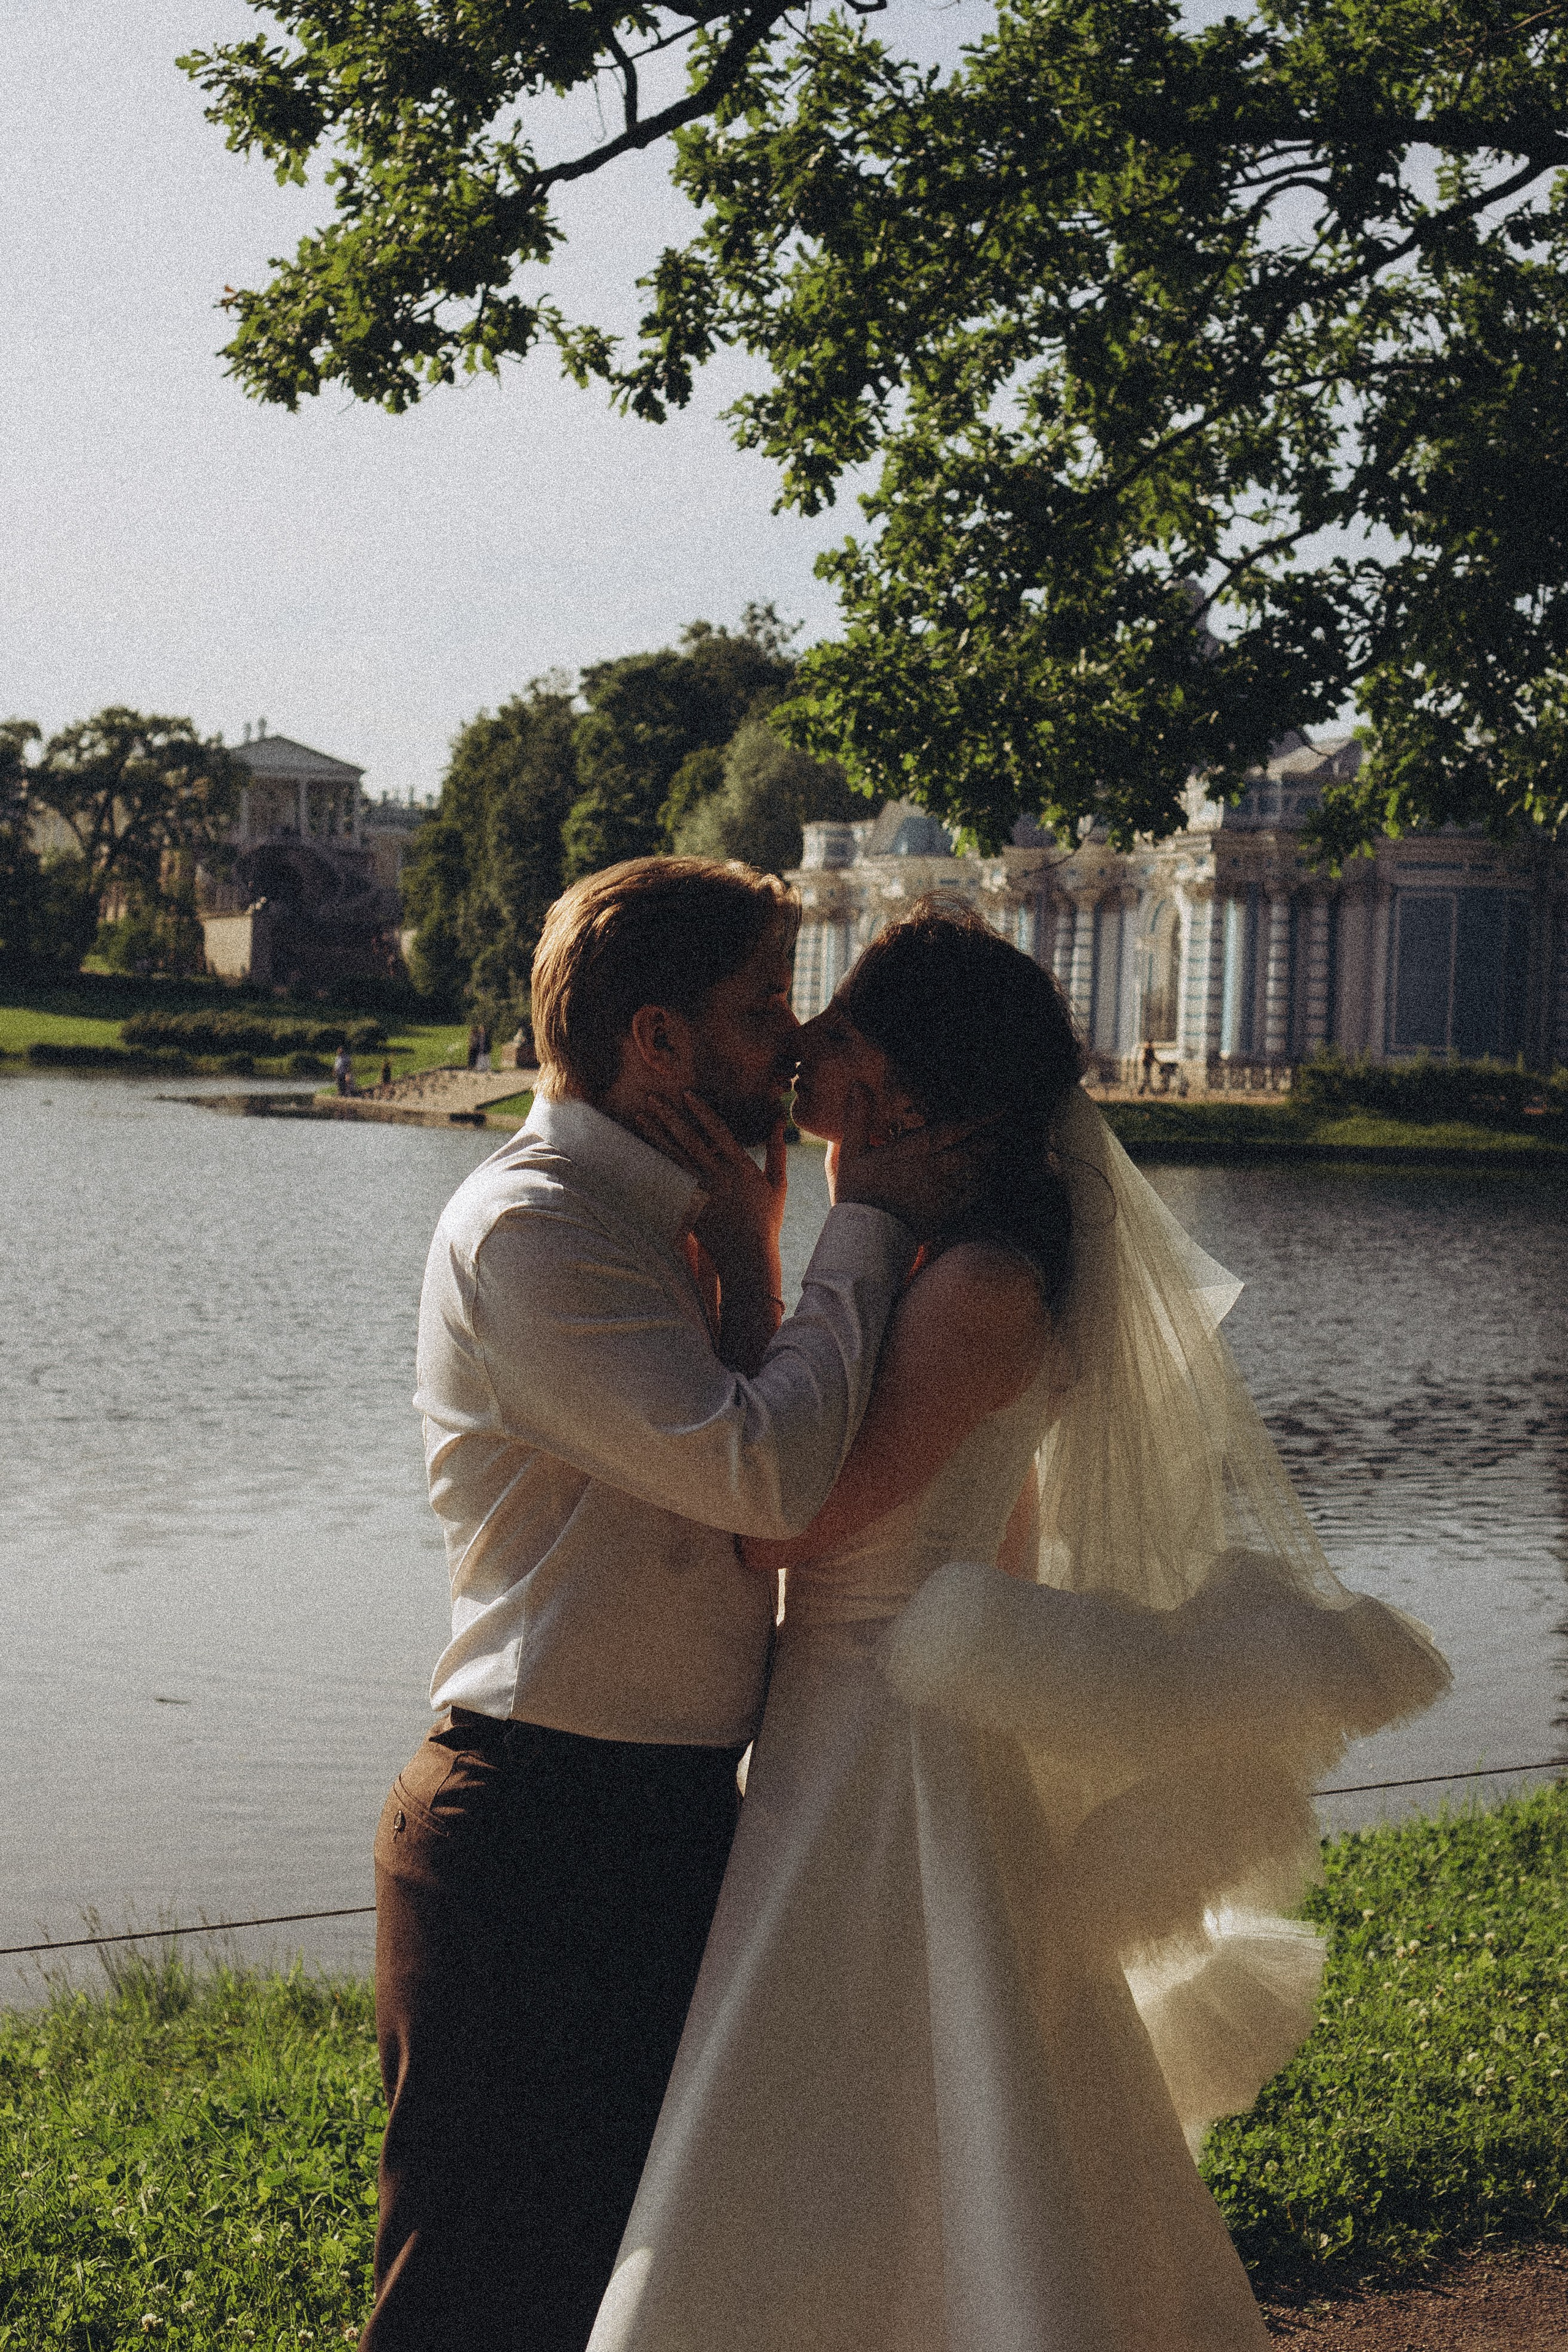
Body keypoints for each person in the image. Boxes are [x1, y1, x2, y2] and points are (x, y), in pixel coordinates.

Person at [590, 900, 1450, 2352]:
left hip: (882, 1742)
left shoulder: (976, 1286)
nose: (800, 1042)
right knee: (887, 2091)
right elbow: (999, 1538)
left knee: (885, 2079)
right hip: (858, 1715)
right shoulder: (948, 1270)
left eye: (837, 1026)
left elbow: (776, 1525)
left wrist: (772, 1254)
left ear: (899, 1090)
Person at [360, 859, 980, 2352]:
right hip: (535, 1830)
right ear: (655, 1040)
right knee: (472, 2304)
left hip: (666, 1819)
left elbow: (751, 1442)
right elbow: (765, 1478)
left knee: (637, 2292)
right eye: (760, 1008)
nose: (792, 1039)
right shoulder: (536, 1230)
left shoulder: (675, 1213)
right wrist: (868, 1223)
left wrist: (757, 1246)